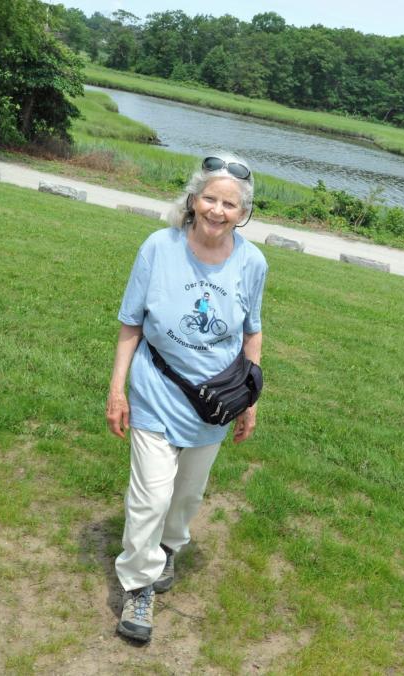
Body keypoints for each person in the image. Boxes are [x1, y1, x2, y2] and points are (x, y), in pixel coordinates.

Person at [105, 154, 268, 643]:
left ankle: (169, 548)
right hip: (156, 389)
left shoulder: (253, 261)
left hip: (214, 402)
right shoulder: (159, 247)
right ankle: (139, 585)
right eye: (210, 199)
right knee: (151, 496)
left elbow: (251, 332)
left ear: (244, 213)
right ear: (193, 200)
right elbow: (131, 322)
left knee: (187, 496)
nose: (218, 211)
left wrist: (251, 399)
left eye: (230, 204)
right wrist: (117, 388)